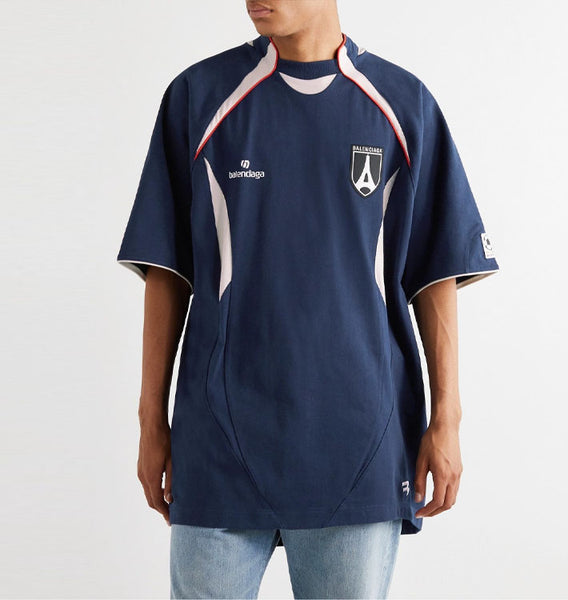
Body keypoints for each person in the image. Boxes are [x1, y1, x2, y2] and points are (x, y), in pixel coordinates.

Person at [116, 1, 500, 597]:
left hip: (358, 440)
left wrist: (446, 418)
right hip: (217, 440)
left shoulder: (403, 104)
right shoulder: (198, 97)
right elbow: (167, 272)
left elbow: (435, 273)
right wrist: (150, 421)